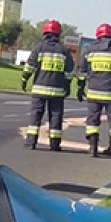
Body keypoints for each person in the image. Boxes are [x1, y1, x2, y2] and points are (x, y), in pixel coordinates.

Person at [76, 23, 111, 159]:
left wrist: (80, 88)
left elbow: (82, 73)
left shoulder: (89, 52)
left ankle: (93, 148)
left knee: (93, 121)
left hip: (93, 93)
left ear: (98, 36)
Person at [22, 20, 74, 151]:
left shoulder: (39, 47)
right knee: (56, 116)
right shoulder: (63, 50)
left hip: (39, 89)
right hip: (57, 91)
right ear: (58, 34)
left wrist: (24, 79)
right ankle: (55, 144)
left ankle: (31, 142)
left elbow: (30, 67)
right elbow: (69, 72)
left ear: (45, 32)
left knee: (36, 115)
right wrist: (67, 86)